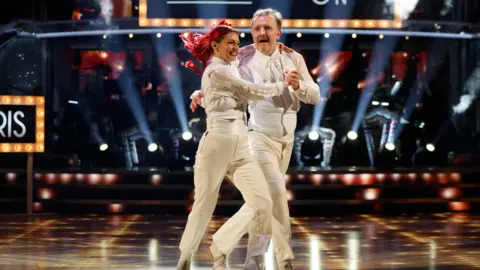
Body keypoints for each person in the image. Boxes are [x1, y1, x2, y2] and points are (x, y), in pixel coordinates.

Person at [190, 8, 321, 269]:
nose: (262, 33)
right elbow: (221, 79)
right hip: (258, 137)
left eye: (267, 28)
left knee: (262, 202)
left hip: (287, 140)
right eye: (257, 29)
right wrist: (202, 92)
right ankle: (271, 260)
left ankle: (221, 243)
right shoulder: (242, 57)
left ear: (278, 32)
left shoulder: (294, 58)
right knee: (277, 196)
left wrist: (299, 86)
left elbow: (314, 95)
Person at [177, 20, 293, 270]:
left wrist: (200, 95)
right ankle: (185, 255)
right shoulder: (217, 70)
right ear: (215, 45)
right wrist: (282, 85)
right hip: (216, 146)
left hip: (242, 148)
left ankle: (220, 245)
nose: (235, 48)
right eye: (230, 43)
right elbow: (249, 90)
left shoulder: (231, 69)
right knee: (205, 203)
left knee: (262, 202)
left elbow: (223, 99)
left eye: (238, 43)